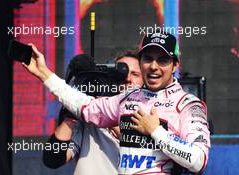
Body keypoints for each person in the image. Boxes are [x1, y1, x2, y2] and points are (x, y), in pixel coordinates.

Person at [23, 31, 210, 174]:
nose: (154, 66)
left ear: (175, 65)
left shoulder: (188, 105)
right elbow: (84, 105)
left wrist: (156, 132)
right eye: (148, 59)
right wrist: (43, 73)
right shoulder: (129, 98)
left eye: (162, 60)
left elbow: (198, 160)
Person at [42, 51, 144, 175]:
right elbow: (52, 159)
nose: (127, 79)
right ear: (110, 78)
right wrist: (72, 114)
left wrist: (101, 113)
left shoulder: (155, 116)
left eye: (135, 74)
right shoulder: (87, 117)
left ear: (144, 80)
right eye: (121, 73)